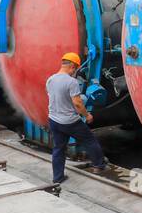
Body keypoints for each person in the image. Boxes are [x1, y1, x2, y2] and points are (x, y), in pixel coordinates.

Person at [46, 52, 108, 181]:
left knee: (58, 149)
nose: (75, 72)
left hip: (53, 120)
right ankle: (99, 165)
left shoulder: (50, 79)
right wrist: (87, 115)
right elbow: (77, 103)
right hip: (70, 122)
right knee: (90, 140)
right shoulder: (71, 82)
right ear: (73, 67)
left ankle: (58, 177)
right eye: (76, 69)